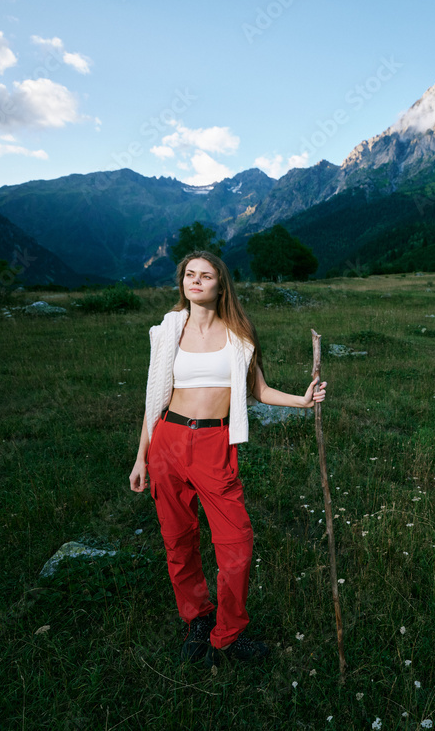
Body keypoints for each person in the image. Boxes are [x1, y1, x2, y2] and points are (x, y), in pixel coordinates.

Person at [129, 250, 326, 668]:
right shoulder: (166, 330)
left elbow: (259, 389)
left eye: (205, 275)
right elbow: (153, 397)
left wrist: (301, 401)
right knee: (179, 542)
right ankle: (197, 618)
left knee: (236, 542)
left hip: (215, 444)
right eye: (189, 274)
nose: (195, 281)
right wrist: (141, 457)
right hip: (167, 439)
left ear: (221, 285)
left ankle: (228, 634)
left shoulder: (238, 334)